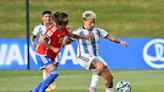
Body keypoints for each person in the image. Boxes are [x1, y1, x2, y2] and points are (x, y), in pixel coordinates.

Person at [67, 10, 128, 92]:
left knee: (109, 78)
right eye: (91, 22)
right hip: (83, 57)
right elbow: (66, 41)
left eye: (94, 22)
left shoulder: (98, 31)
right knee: (100, 65)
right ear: (85, 21)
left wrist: (120, 42)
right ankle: (92, 88)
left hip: (96, 57)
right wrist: (67, 33)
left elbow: (110, 37)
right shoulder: (78, 32)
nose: (93, 24)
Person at [30, 12, 92, 92]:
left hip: (50, 55)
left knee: (51, 76)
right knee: (54, 73)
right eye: (66, 22)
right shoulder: (52, 29)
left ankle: (35, 90)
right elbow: (41, 40)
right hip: (43, 54)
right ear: (61, 23)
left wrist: (84, 37)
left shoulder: (63, 29)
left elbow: (72, 35)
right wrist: (53, 48)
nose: (68, 23)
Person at [31, 10, 56, 91]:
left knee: (53, 70)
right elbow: (33, 36)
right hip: (43, 51)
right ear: (42, 18)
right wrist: (33, 42)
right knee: (48, 69)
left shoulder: (53, 27)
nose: (48, 18)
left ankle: (36, 90)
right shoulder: (38, 27)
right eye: (46, 16)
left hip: (52, 51)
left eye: (49, 16)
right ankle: (45, 88)